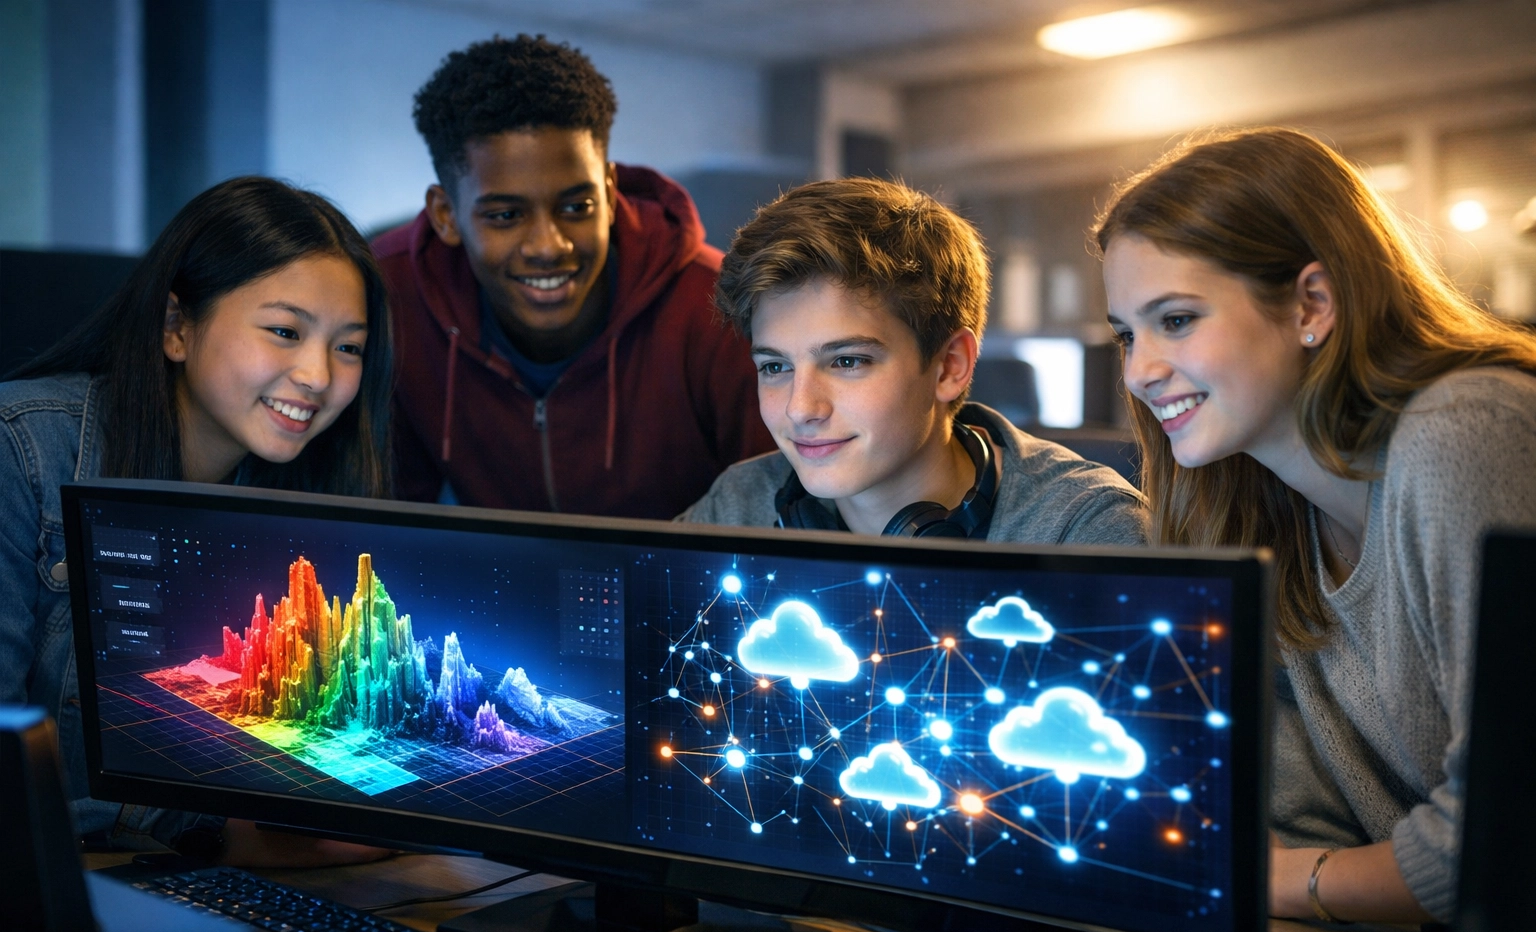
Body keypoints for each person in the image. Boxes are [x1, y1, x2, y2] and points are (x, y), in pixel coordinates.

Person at [1096, 127, 1536, 924]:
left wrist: (1272, 882)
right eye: (1128, 333)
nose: (1139, 370)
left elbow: (1508, 835)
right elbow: (1289, 812)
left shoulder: (1469, 432)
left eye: (1178, 319)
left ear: (1312, 304)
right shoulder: (1246, 503)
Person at [1, 176, 394, 866]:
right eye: (285, 331)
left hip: (165, 880)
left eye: (348, 347)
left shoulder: (304, 494)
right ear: (177, 328)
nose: (318, 375)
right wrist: (205, 828)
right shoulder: (22, 452)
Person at [378, 35, 773, 516]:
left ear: (609, 194)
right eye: (505, 216)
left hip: (684, 588)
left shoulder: (717, 308)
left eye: (576, 206)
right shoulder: (394, 297)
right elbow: (392, 519)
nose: (549, 246)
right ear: (445, 215)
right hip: (497, 587)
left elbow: (773, 515)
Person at [681, 177, 1147, 546]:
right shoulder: (738, 507)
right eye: (775, 367)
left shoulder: (1083, 530)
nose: (800, 409)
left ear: (949, 366)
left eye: (846, 362)